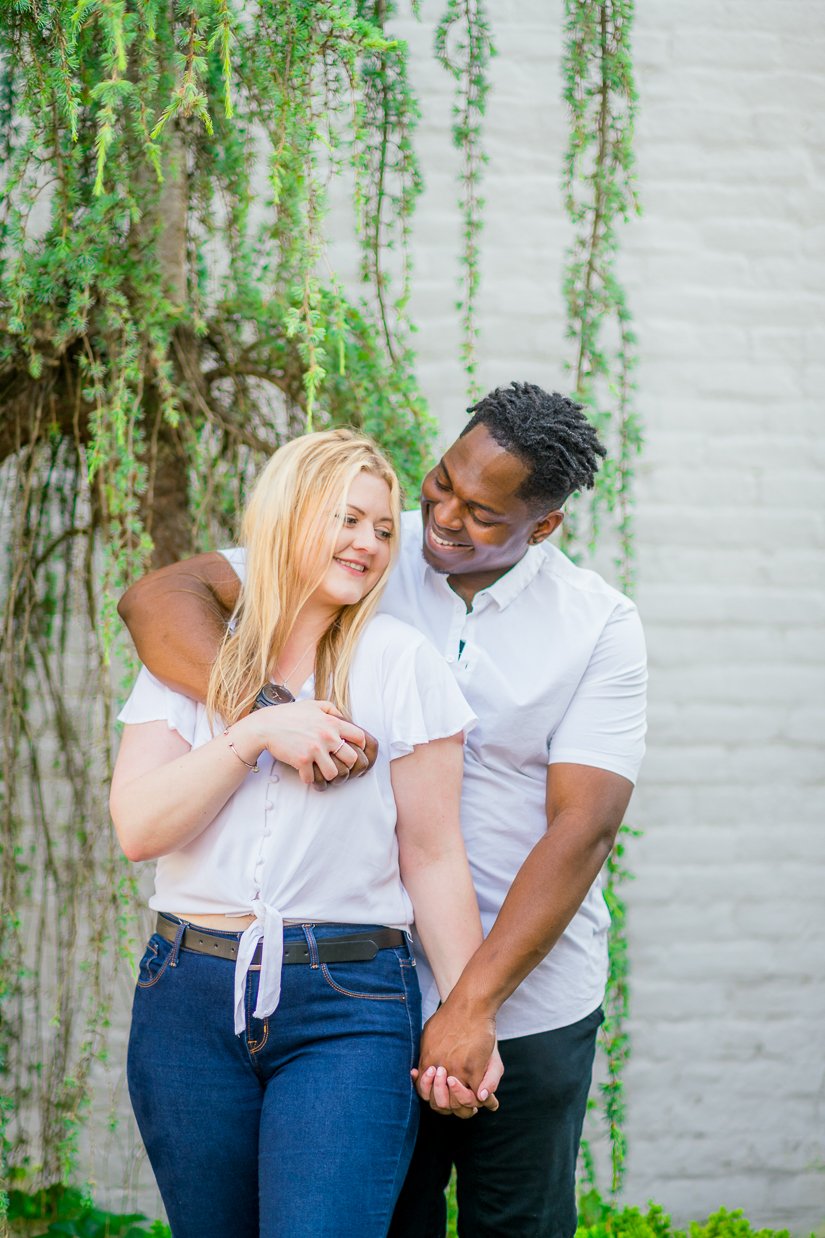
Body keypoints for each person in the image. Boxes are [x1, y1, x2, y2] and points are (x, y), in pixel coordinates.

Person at [119, 383, 647, 1238]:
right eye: (439, 483)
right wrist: (264, 717)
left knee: (515, 1222)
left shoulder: (596, 626)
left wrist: (472, 1006)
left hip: (521, 989)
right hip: (378, 977)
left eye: (480, 513)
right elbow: (159, 598)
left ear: (541, 528)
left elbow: (579, 830)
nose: (438, 517)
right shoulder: (363, 542)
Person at [110, 428, 501, 1238]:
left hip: (347, 1004)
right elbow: (140, 829)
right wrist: (256, 732)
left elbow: (433, 856)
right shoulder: (185, 660)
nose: (367, 543)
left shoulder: (401, 662)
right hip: (187, 993)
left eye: (383, 528)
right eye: (345, 519)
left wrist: (470, 1015)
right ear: (287, 518)